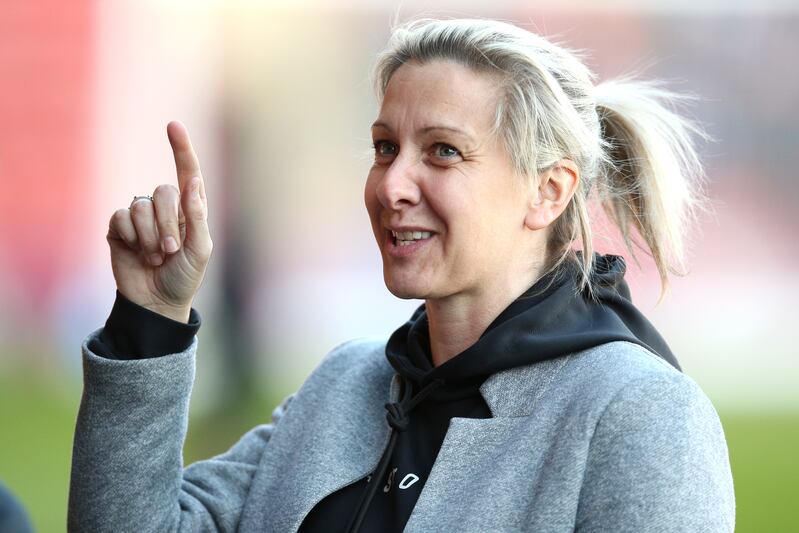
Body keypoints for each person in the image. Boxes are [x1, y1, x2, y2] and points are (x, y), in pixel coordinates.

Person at [68, 18, 735, 532]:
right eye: (385, 146)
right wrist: (150, 318)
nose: (392, 184)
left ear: (549, 191)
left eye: (443, 151)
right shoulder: (343, 386)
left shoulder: (639, 413)